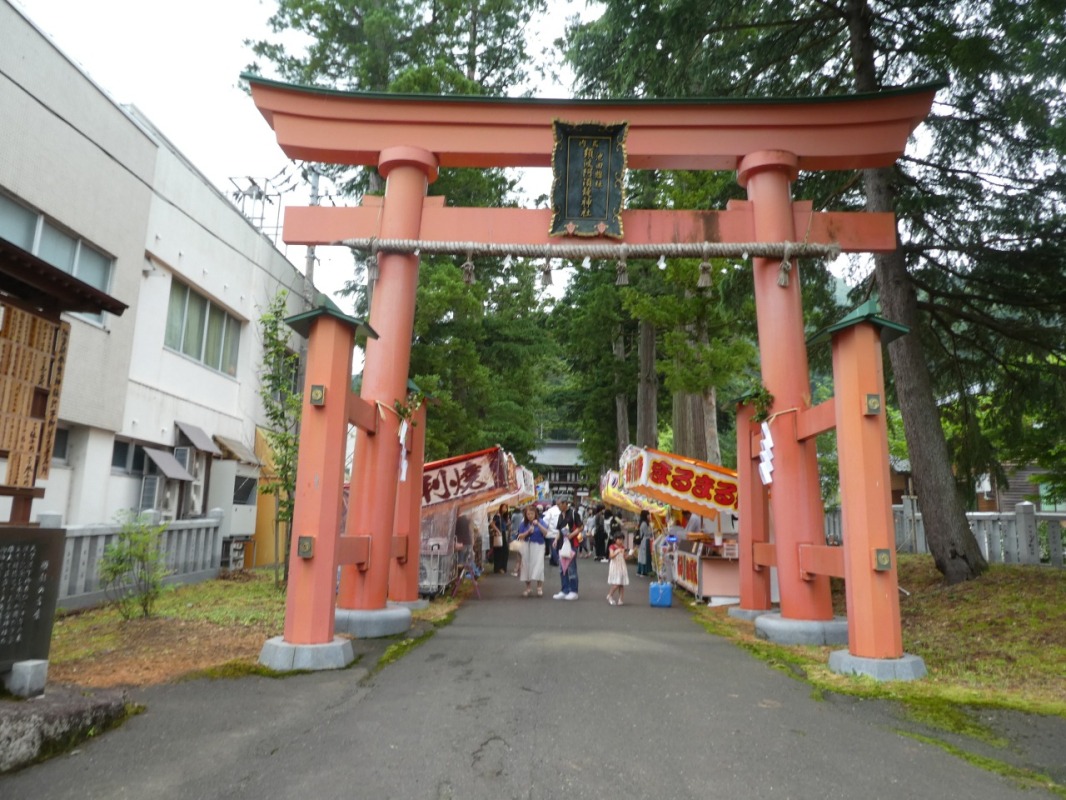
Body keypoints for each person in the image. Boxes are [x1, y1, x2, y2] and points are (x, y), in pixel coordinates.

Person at [552, 497, 582, 600]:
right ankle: (564, 590)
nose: (558, 506)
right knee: (562, 569)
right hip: (562, 545)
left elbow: (580, 527)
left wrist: (571, 535)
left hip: (571, 544)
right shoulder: (560, 515)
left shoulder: (573, 513)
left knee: (571, 568)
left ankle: (573, 591)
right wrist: (556, 540)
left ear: (565, 503)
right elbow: (559, 531)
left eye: (559, 504)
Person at [516, 505, 549, 596]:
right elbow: (520, 536)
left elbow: (546, 533)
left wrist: (538, 524)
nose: (530, 516)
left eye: (532, 514)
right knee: (526, 566)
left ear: (535, 514)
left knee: (538, 565)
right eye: (528, 514)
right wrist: (527, 532)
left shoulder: (541, 522)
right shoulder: (523, 524)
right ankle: (528, 587)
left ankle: (539, 587)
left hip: (538, 545)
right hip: (527, 545)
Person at [606, 531, 630, 605]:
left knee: (621, 583)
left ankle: (621, 599)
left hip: (622, 565)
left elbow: (625, 557)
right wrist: (617, 551)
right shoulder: (612, 547)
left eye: (622, 539)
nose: (621, 541)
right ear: (615, 539)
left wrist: (630, 554)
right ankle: (609, 595)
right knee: (616, 583)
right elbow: (611, 556)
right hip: (615, 566)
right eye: (619, 539)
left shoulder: (623, 547)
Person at [490, 503, 510, 575]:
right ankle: (499, 568)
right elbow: (492, 524)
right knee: (500, 551)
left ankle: (502, 567)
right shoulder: (497, 515)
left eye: (506, 508)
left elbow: (505, 525)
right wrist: (498, 530)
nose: (505, 509)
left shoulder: (504, 516)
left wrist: (507, 523)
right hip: (499, 534)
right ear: (501, 508)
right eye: (504, 507)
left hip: (503, 534)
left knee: (505, 551)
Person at [636, 509, 654, 577]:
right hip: (645, 541)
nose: (649, 516)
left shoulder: (643, 523)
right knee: (645, 556)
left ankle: (641, 571)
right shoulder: (644, 524)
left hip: (643, 541)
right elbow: (647, 533)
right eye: (648, 515)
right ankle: (644, 571)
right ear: (645, 515)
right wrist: (653, 531)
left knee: (642, 556)